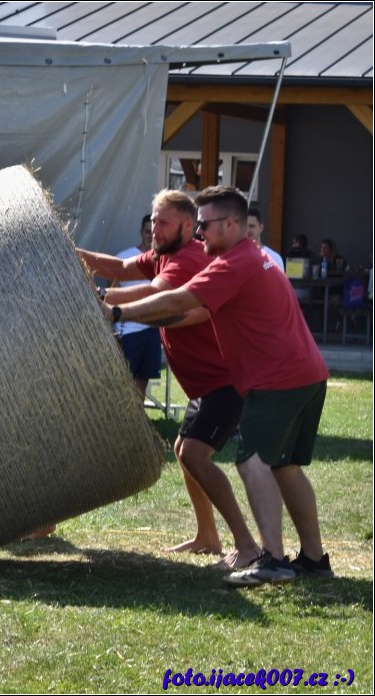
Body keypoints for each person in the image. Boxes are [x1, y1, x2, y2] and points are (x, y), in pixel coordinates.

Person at [103, 185, 332, 587]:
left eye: (204, 225)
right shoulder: (250, 256)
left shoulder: (234, 263)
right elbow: (184, 309)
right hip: (306, 373)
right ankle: (314, 559)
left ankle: (272, 559)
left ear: (230, 224)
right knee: (285, 466)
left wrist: (117, 310)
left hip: (277, 378)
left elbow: (175, 300)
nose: (199, 233)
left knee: (253, 461)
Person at [78, 190, 264, 570]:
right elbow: (121, 268)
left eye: (162, 222)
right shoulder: (165, 252)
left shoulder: (189, 257)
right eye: (152, 220)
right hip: (205, 384)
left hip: (224, 380)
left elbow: (156, 294)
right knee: (185, 451)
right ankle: (208, 537)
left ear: (185, 224)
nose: (154, 229)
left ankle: (246, 545)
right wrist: (73, 257)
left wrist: (98, 300)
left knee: (194, 454)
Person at [113, 214, 162, 398]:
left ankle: (138, 421)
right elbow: (113, 292)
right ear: (141, 232)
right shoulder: (125, 258)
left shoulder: (163, 260)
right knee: (125, 379)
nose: (151, 235)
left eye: (154, 232)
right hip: (128, 330)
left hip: (152, 328)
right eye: (147, 231)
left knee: (143, 379)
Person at [246, 207, 283, 272]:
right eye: (245, 226)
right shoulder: (236, 258)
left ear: (261, 228)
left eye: (251, 226)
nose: (248, 230)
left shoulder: (274, 258)